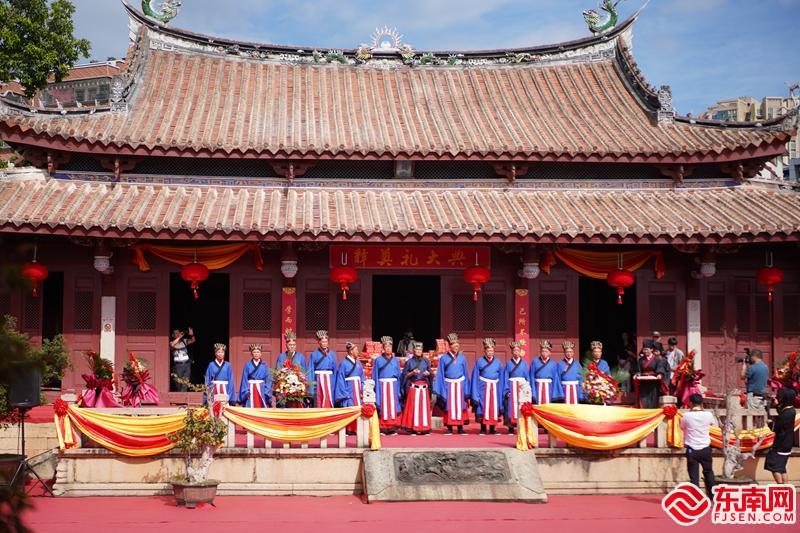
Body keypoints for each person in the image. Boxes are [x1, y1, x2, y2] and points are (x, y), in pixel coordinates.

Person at [679, 393, 716, 499]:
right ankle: (712, 496)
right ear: (701, 403)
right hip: (705, 448)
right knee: (708, 472)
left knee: (694, 476)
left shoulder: (686, 416)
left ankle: (696, 498)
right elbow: (713, 424)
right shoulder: (708, 414)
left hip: (692, 449)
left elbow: (682, 427)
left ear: (690, 403)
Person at [432, 333, 471, 435]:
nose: (456, 346)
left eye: (457, 344)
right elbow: (440, 374)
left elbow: (466, 373)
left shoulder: (462, 358)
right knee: (449, 406)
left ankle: (460, 427)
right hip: (448, 385)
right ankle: (449, 427)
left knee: (460, 405)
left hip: (460, 385)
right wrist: (440, 388)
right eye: (454, 344)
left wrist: (467, 387)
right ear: (450, 346)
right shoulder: (444, 358)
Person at [471, 338, 504, 435]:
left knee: (493, 407)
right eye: (488, 350)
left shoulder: (498, 363)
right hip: (483, 387)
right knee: (483, 407)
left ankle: (493, 428)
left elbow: (501, 377)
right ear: (484, 351)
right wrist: (475, 391)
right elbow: (475, 376)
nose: (490, 352)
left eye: (492, 351)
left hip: (494, 387)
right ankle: (483, 428)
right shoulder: (479, 361)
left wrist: (501, 390)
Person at [399, 341, 432, 435]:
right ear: (414, 351)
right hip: (414, 388)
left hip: (424, 388)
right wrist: (412, 373)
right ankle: (413, 428)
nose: (418, 351)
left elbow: (431, 373)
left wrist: (428, 374)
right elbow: (404, 375)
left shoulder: (426, 361)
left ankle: (424, 428)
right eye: (417, 349)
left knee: (423, 409)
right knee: (413, 409)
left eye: (420, 349)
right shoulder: (409, 362)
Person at [765, 388, 797, 484]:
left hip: (781, 444)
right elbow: (781, 412)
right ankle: (786, 487)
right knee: (781, 468)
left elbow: (776, 427)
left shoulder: (786, 413)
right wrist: (776, 405)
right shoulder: (790, 410)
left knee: (773, 465)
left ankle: (780, 486)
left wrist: (770, 423)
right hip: (787, 444)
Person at [333, 342, 365, 434]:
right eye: (356, 350)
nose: (357, 351)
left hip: (357, 388)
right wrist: (344, 393)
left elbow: (362, 377)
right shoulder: (343, 363)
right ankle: (349, 429)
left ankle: (358, 428)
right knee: (350, 407)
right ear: (351, 351)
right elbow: (340, 379)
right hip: (349, 389)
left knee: (358, 407)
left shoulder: (358, 363)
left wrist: (362, 389)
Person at [373, 336, 402, 434]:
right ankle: (383, 427)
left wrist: (398, 388)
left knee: (392, 406)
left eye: (390, 346)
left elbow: (398, 375)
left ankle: (393, 427)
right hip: (382, 385)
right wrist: (376, 388)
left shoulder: (395, 360)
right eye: (386, 347)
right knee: (383, 405)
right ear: (383, 348)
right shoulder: (378, 360)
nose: (388, 348)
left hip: (393, 385)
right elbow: (375, 375)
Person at [503, 341, 530, 434]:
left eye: (518, 350)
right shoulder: (508, 363)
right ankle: (510, 427)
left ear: (520, 351)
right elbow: (506, 377)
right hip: (512, 386)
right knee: (511, 406)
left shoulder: (524, 363)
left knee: (521, 405)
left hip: (522, 386)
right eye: (514, 350)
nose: (516, 352)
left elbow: (527, 376)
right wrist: (507, 390)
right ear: (512, 352)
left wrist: (527, 388)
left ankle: (521, 426)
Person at [307, 330, 338, 408]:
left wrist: (335, 383)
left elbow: (335, 370)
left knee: (329, 397)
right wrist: (310, 386)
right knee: (319, 398)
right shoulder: (314, 354)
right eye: (323, 342)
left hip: (330, 379)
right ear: (319, 342)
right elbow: (310, 371)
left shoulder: (332, 354)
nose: (325, 344)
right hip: (318, 379)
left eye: (326, 342)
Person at [635, 341, 668, 409]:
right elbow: (638, 370)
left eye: (647, 349)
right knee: (643, 398)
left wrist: (659, 374)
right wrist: (637, 374)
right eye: (644, 349)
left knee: (653, 398)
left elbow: (660, 368)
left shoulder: (657, 359)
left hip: (653, 382)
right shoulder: (641, 360)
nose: (645, 351)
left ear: (651, 349)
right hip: (643, 382)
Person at [238, 343, 271, 408]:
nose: (256, 354)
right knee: (250, 406)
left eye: (258, 352)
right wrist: (246, 391)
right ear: (251, 354)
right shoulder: (247, 365)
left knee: (261, 406)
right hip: (250, 388)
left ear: (260, 353)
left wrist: (266, 391)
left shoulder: (264, 365)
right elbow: (244, 379)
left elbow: (268, 379)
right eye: (254, 352)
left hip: (261, 389)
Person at [530, 340, 563, 405]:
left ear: (550, 353)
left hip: (549, 387)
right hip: (537, 387)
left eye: (546, 351)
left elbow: (555, 379)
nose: (544, 353)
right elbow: (531, 376)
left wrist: (554, 392)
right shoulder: (535, 362)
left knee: (548, 404)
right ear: (540, 352)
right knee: (538, 404)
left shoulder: (553, 364)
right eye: (543, 351)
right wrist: (533, 390)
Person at [170, 327, 195, 391]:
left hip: (186, 364)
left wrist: (191, 335)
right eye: (176, 333)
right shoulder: (171, 342)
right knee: (178, 382)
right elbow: (172, 345)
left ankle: (183, 394)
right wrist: (179, 337)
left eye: (178, 333)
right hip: (178, 365)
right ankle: (180, 394)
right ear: (173, 335)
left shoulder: (184, 341)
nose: (178, 334)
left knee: (186, 381)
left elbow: (193, 340)